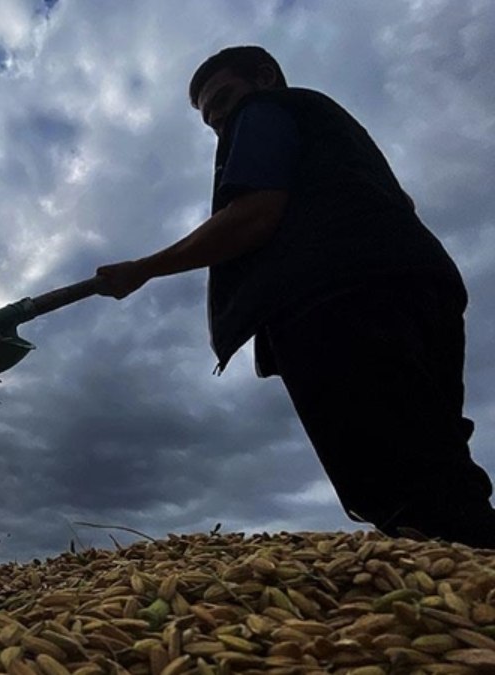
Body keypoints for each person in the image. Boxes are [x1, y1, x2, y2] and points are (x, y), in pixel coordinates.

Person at [94, 45, 495, 549]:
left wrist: (144, 269)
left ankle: (463, 605)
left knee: (393, 480)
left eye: (223, 99)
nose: (219, 118)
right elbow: (402, 205)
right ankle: (471, 580)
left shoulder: (265, 110)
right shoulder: (337, 133)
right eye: (209, 115)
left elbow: (257, 212)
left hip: (338, 303)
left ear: (264, 78)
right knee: (435, 457)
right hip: (420, 285)